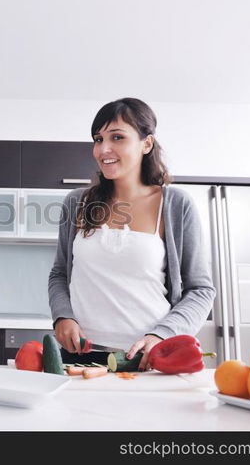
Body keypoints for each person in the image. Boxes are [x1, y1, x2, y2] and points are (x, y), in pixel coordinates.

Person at [48, 97, 215, 370]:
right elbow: (59, 274)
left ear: (146, 144)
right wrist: (62, 317)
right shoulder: (76, 203)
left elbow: (200, 290)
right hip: (79, 359)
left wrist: (162, 335)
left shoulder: (174, 205)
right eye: (98, 139)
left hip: (150, 359)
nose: (104, 149)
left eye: (117, 137)